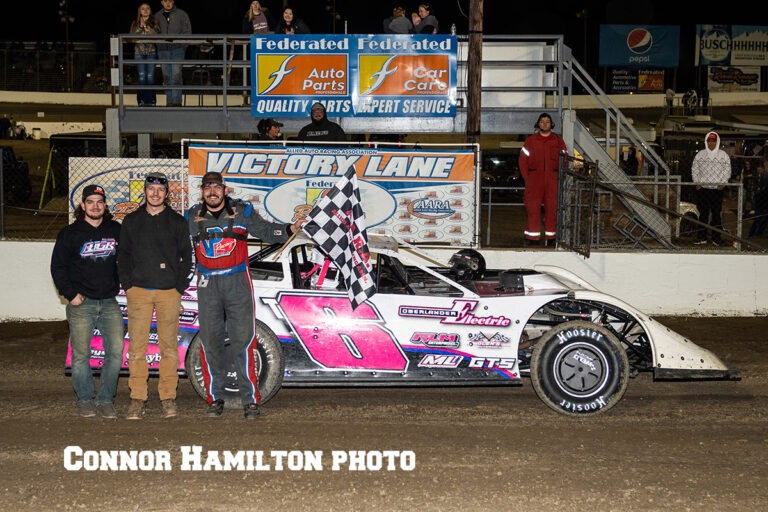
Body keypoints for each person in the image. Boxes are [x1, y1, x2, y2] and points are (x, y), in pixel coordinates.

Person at [186, 172, 304, 419]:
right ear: (202, 191)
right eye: (207, 187)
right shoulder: (191, 216)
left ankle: (250, 400)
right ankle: (214, 398)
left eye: (216, 187)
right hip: (207, 284)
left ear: (225, 189)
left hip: (237, 281)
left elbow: (268, 232)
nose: (212, 192)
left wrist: (290, 228)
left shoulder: (243, 211)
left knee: (244, 341)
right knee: (211, 342)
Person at [117, 172, 194, 419]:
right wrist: (128, 286)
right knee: (137, 349)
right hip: (138, 292)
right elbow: (123, 257)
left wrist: (178, 288)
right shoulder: (131, 221)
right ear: (145, 191)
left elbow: (188, 257)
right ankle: (137, 398)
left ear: (167, 193)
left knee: (169, 348)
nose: (155, 193)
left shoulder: (177, 222)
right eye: (151, 189)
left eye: (160, 190)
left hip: (168, 293)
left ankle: (168, 398)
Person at [50, 185, 123, 419]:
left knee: (116, 352)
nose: (95, 206)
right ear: (82, 206)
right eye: (90, 201)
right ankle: (84, 399)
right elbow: (58, 267)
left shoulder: (116, 230)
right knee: (81, 354)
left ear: (105, 205)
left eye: (99, 202)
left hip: (109, 301)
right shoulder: (70, 233)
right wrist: (71, 294)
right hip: (82, 303)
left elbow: (127, 261)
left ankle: (105, 399)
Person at [518, 112, 568, 246]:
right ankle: (532, 238)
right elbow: (522, 161)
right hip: (534, 179)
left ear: (551, 124)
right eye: (542, 121)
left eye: (547, 121)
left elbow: (565, 159)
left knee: (552, 209)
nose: (545, 124)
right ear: (538, 124)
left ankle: (551, 238)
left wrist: (560, 177)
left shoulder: (558, 140)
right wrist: (527, 179)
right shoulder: (531, 141)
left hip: (552, 179)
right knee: (532, 209)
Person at [691, 132, 731, 246]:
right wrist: (697, 182)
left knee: (716, 214)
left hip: (717, 190)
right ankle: (701, 237)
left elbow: (727, 169)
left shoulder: (723, 155)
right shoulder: (700, 154)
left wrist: (723, 182)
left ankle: (716, 238)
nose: (711, 143)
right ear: (706, 141)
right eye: (709, 140)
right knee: (703, 214)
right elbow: (695, 168)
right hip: (703, 189)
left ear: (717, 141)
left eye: (713, 140)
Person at [154, 0, 191, 107]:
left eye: (170, 1)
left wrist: (183, 47)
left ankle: (176, 102)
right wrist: (159, 45)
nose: (168, 3)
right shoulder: (157, 16)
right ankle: (169, 101)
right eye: (165, 1)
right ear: (161, 2)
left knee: (176, 75)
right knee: (166, 76)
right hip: (163, 50)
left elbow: (188, 32)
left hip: (177, 50)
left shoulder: (182, 14)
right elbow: (154, 32)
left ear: (173, 1)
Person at [130, 3, 160, 107]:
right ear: (140, 11)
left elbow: (158, 37)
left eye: (147, 8)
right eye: (143, 9)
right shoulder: (135, 23)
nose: (145, 10)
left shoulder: (155, 22)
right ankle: (141, 100)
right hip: (139, 53)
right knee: (142, 77)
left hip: (151, 53)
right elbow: (132, 38)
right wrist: (140, 28)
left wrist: (149, 29)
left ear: (150, 11)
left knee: (150, 77)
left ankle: (151, 101)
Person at [748, 162, 768, 238]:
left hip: (762, 200)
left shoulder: (764, 175)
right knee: (761, 218)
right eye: (758, 169)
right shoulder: (759, 175)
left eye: (760, 169)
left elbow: (762, 188)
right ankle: (755, 233)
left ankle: (755, 233)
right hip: (761, 201)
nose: (758, 170)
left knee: (761, 218)